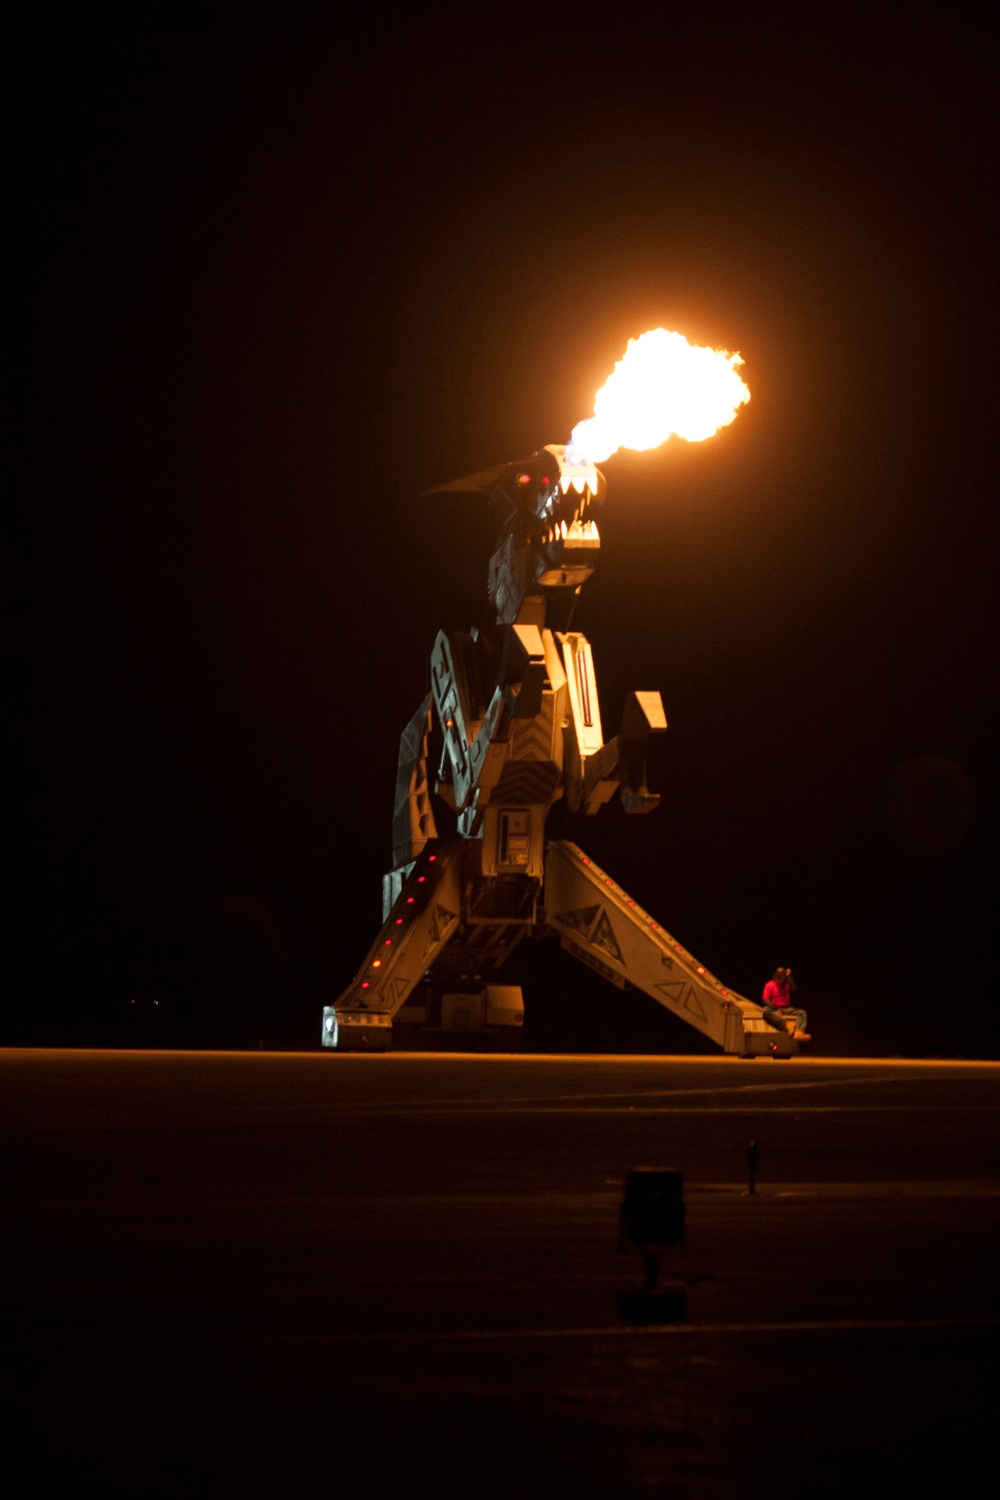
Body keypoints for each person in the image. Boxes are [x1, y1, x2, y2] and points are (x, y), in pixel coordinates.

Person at [762, 966, 810, 1041]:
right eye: (778, 976)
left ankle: (799, 1032)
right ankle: (786, 1025)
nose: (779, 978)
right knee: (765, 1011)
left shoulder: (787, 984)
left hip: (786, 1008)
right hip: (774, 1008)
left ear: (785, 976)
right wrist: (775, 1009)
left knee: (802, 1012)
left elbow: (794, 989)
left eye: (782, 976)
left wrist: (789, 976)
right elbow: (766, 1000)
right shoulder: (770, 984)